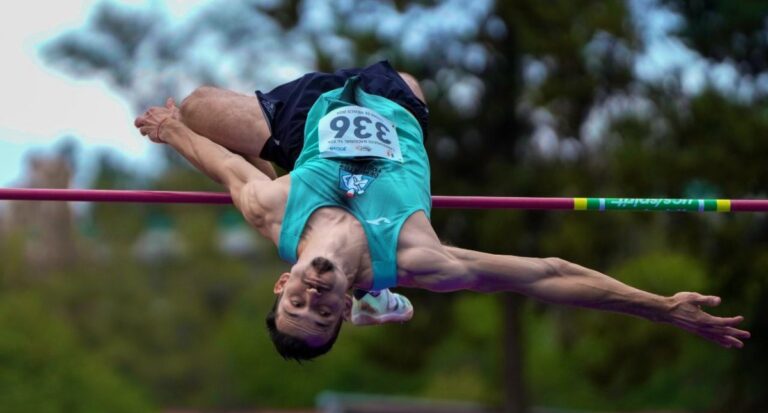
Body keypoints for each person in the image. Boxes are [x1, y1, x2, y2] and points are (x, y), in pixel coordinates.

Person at [134, 60, 750, 361]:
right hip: (392, 101)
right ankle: (382, 295)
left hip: (307, 125)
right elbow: (547, 275)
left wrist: (169, 131)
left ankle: (379, 299)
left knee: (197, 109)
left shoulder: (273, 211)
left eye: (296, 301)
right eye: (322, 313)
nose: (311, 299)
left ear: (283, 282)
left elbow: (225, 167)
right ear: (340, 307)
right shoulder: (418, 257)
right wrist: (659, 307)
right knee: (401, 72)